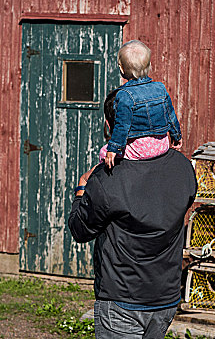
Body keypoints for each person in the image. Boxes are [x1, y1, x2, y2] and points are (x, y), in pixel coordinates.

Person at [68, 93, 197, 339]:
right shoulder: (182, 167)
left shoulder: (107, 178)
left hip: (121, 300)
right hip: (166, 299)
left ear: (110, 127)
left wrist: (82, 189)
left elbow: (80, 229)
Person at [104, 40, 182, 168]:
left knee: (103, 152)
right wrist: (176, 136)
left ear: (121, 69)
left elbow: (122, 126)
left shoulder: (124, 95)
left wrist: (113, 149)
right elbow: (170, 116)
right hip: (162, 146)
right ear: (149, 65)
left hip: (139, 151)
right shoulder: (160, 88)